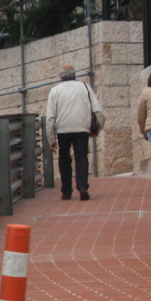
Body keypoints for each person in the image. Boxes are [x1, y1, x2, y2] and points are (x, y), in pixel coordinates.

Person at [45, 64, 104, 201]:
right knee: (81, 158)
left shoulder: (55, 91)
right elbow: (98, 110)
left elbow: (50, 118)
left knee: (64, 159)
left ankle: (66, 191)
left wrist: (52, 139)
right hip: (81, 129)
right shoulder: (85, 87)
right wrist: (97, 129)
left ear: (60, 76)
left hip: (63, 130)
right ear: (74, 74)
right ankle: (82, 186)